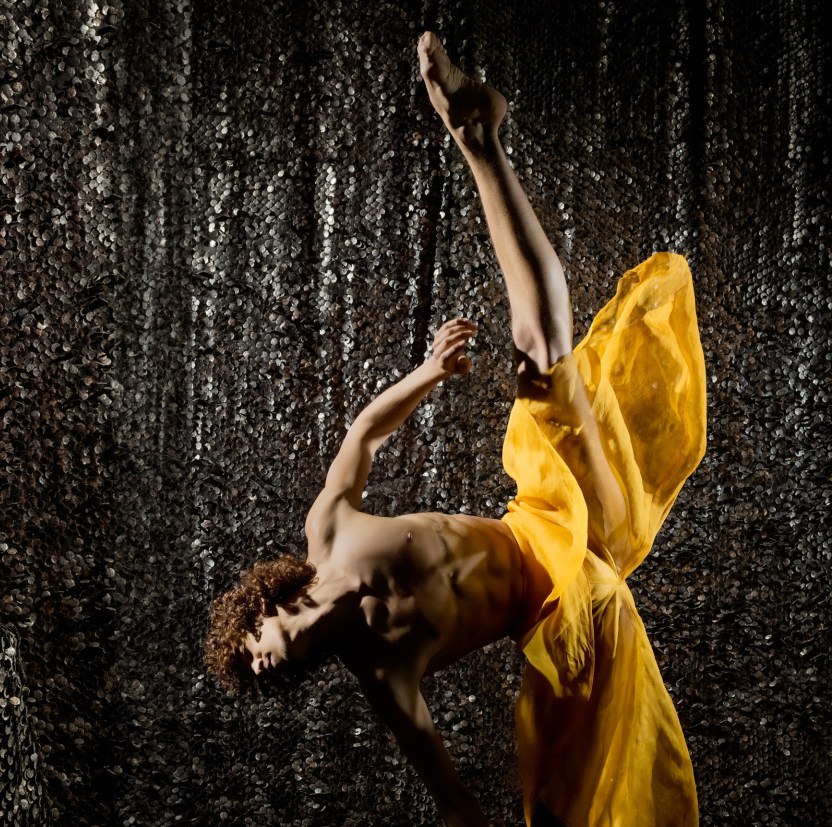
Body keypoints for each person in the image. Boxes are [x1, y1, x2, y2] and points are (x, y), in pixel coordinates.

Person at [205, 33, 704, 827]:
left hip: (553, 518)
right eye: (256, 675)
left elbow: (362, 435)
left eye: (247, 647)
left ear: (258, 609)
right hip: (567, 613)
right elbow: (452, 793)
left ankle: (479, 137)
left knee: (544, 361)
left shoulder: (327, 531)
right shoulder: (381, 673)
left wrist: (428, 374)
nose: (257, 664)